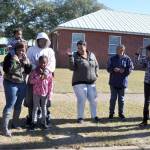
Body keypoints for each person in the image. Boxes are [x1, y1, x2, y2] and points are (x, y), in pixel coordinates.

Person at [25, 32, 56, 126]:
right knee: (31, 100)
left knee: (45, 100)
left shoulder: (50, 51)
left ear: (47, 41)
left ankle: (46, 118)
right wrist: (37, 70)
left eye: (44, 40)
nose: (42, 42)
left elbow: (52, 62)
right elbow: (28, 61)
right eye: (40, 40)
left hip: (46, 78)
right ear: (37, 40)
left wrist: (46, 71)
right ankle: (31, 118)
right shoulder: (31, 49)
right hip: (33, 76)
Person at [2, 42, 31, 136]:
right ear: (15, 49)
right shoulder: (9, 57)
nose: (21, 52)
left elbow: (28, 71)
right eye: (19, 49)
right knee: (10, 104)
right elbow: (6, 70)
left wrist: (27, 63)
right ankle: (4, 128)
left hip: (22, 84)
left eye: (23, 50)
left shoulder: (25, 58)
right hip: (10, 83)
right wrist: (14, 60)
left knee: (18, 104)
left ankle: (14, 123)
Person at [67, 40, 99, 123]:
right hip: (79, 82)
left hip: (91, 82)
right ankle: (80, 117)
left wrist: (96, 73)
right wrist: (70, 57)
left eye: (81, 48)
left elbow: (96, 65)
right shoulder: (74, 55)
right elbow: (72, 68)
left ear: (85, 46)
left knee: (93, 99)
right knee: (82, 99)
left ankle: (94, 116)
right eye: (78, 48)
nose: (79, 50)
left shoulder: (92, 55)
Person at [107, 44, 134, 120]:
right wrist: (113, 69)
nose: (119, 51)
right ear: (116, 50)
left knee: (121, 100)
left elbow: (131, 68)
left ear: (123, 50)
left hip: (122, 83)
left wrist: (124, 71)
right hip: (113, 82)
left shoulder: (127, 59)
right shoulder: (112, 58)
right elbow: (108, 68)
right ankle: (111, 114)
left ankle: (121, 114)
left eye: (121, 50)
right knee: (113, 99)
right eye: (118, 49)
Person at [29, 55, 53, 130]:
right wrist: (39, 78)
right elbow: (31, 81)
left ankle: (43, 123)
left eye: (44, 63)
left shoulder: (49, 73)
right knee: (35, 108)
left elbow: (50, 84)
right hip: (36, 93)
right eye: (41, 62)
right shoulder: (34, 71)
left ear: (47, 63)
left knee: (44, 108)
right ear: (38, 62)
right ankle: (33, 122)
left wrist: (50, 94)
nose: (43, 64)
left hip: (45, 94)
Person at [136, 45, 150, 126]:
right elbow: (139, 62)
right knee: (146, 102)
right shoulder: (147, 59)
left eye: (148, 51)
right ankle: (145, 120)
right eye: (147, 51)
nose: (147, 53)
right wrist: (138, 53)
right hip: (147, 83)